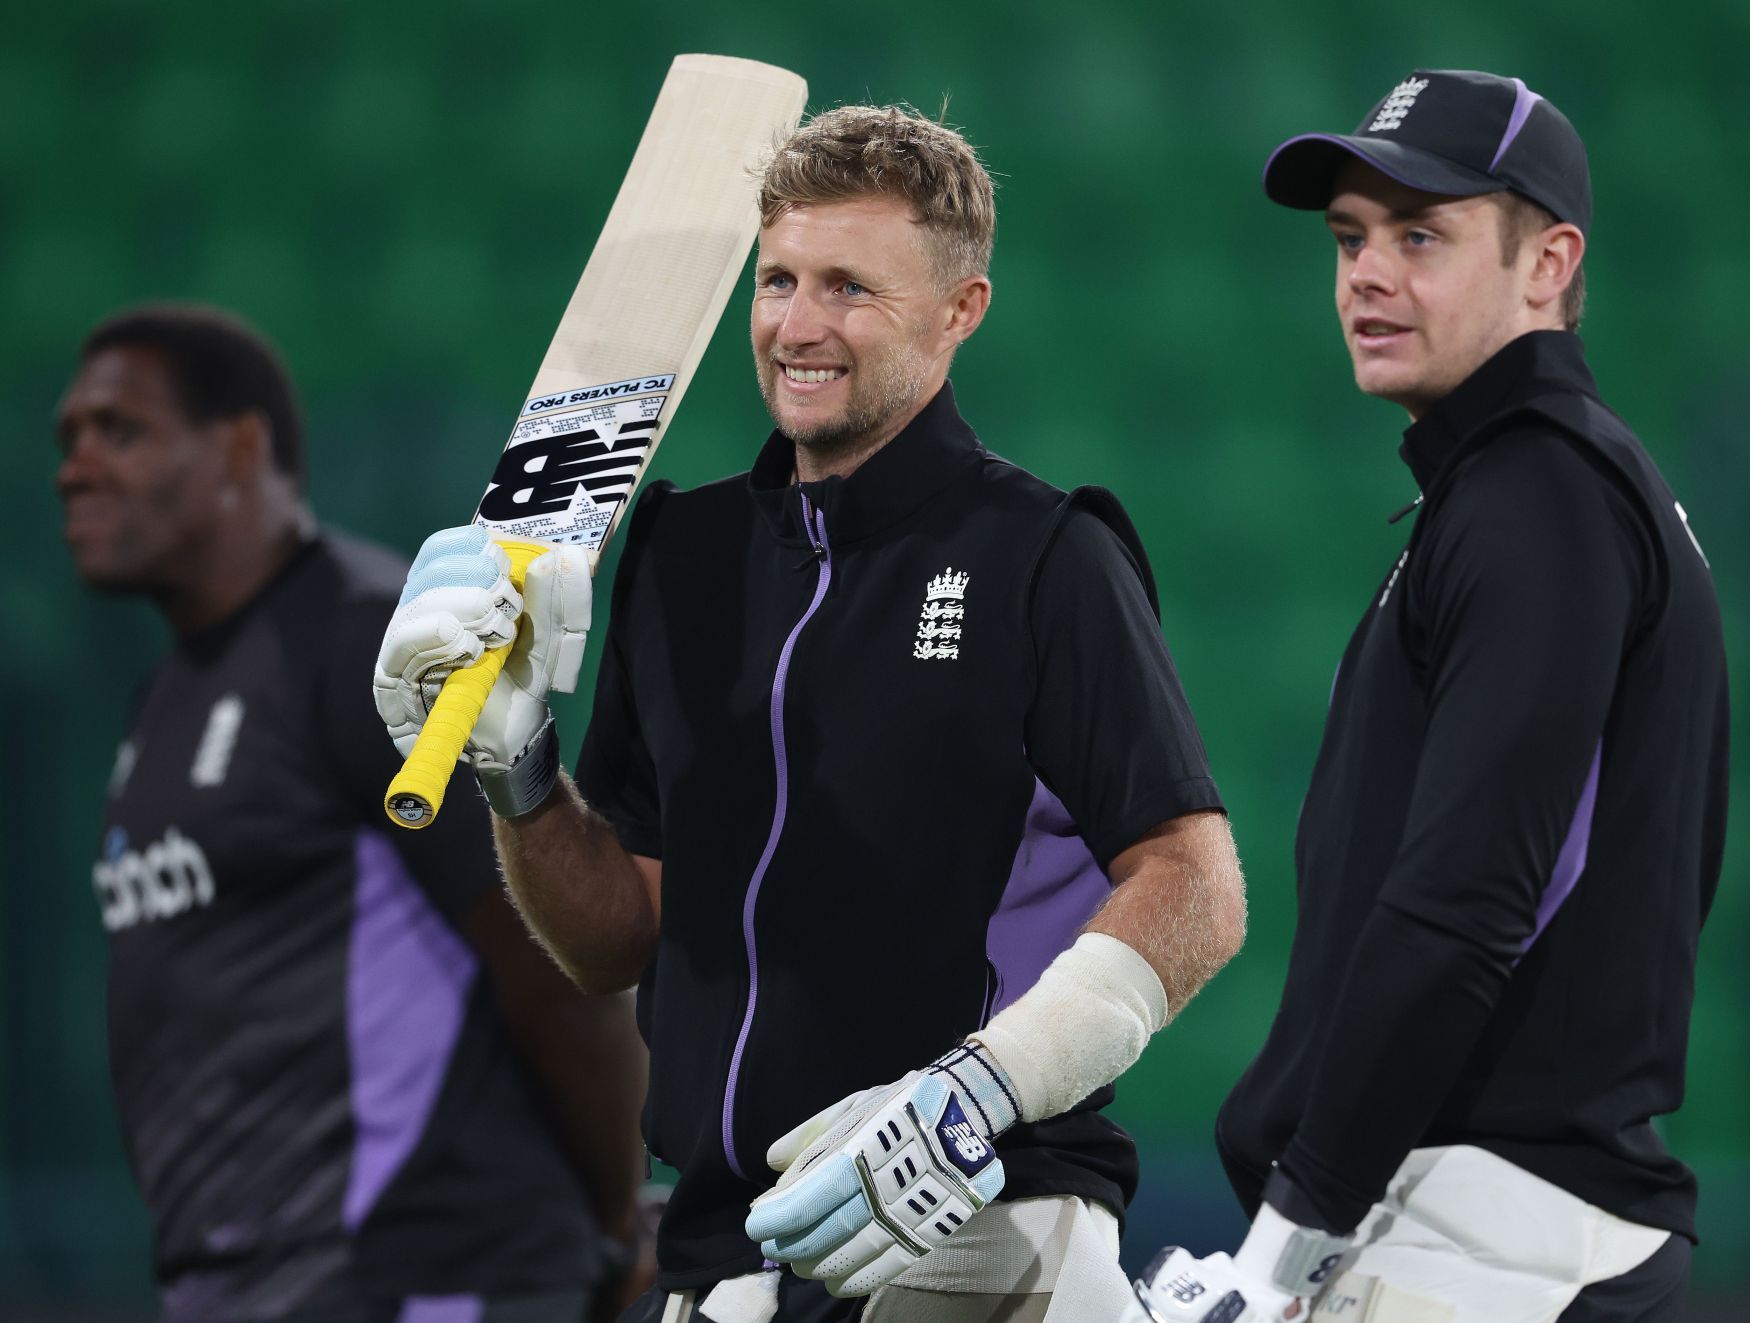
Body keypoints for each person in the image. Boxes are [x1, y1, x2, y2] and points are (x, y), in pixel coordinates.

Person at [373, 105, 1247, 1323]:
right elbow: (615, 940)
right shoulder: (682, 551)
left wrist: (975, 1097)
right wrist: (516, 769)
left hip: (977, 1230)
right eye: (778, 279)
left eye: (849, 288)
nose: (797, 325)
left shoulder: (1045, 553)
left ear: (961, 312)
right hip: (722, 1258)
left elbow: (1196, 886)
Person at [1132, 70, 1729, 1323]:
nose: (1364, 273)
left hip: (1495, 1235)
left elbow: (1468, 907)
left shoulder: (1544, 495)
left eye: (1422, 234)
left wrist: (1283, 1249)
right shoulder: (1520, 491)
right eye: (1350, 238)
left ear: (1548, 265)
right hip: (1446, 1222)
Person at [57, 305, 652, 1323]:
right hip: (241, 1288)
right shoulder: (170, 693)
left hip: (423, 1276)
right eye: (69, 439)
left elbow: (549, 962)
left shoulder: (359, 647)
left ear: (241, 445)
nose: (76, 466)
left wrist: (613, 1219)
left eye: (120, 431)